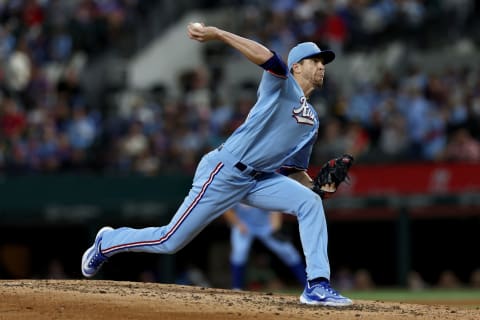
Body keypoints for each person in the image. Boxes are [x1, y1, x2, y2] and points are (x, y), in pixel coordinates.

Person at [81, 22, 353, 307]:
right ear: (296, 66)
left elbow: (292, 171)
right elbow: (268, 56)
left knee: (310, 203)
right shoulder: (282, 84)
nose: (322, 66)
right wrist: (219, 34)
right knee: (170, 240)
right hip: (224, 171)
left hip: (259, 180)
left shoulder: (313, 122)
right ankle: (108, 242)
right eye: (316, 60)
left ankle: (317, 285)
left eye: (324, 62)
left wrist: (319, 188)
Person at [224, 204, 306, 290]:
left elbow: (274, 208)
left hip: (266, 225)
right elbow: (226, 209)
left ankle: (306, 284)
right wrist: (237, 224)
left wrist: (276, 228)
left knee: (288, 252)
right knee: (239, 252)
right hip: (244, 225)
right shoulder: (236, 191)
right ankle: (237, 287)